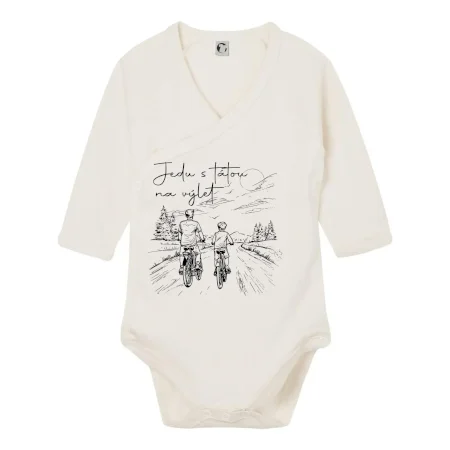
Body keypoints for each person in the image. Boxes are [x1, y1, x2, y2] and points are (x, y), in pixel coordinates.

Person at [178, 209, 204, 275]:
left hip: (183, 243)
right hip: (193, 243)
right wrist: (202, 239)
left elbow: (179, 233)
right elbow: (200, 232)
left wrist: (180, 239)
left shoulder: (181, 223)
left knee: (181, 254)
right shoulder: (196, 223)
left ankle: (181, 267)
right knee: (197, 253)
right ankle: (197, 265)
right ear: (192, 215)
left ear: (186, 215)